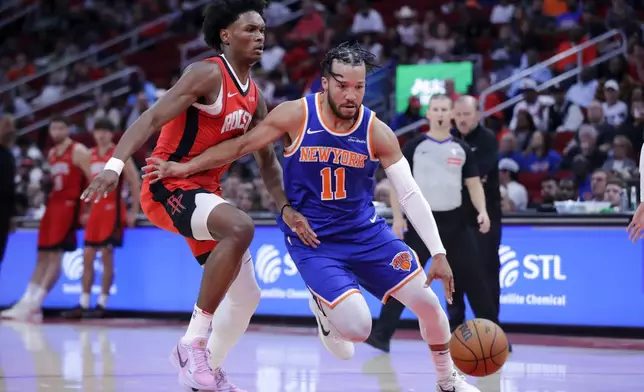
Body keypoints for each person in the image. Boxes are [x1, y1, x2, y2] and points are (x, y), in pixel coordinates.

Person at [143, 42, 481, 392]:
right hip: (314, 240)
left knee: (429, 305)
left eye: (359, 86)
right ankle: (323, 304)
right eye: (343, 85)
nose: (352, 95)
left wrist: (438, 252)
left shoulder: (376, 131)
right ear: (325, 83)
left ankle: (447, 379)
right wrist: (185, 167)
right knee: (357, 330)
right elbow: (241, 147)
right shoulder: (296, 115)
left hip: (365, 234)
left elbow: (410, 193)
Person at [81, 1, 314, 390]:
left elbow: (268, 164)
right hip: (166, 185)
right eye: (250, 30)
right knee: (239, 227)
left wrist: (286, 207)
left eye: (262, 31)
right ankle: (193, 342)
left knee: (247, 297)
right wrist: (115, 165)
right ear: (225, 35)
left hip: (205, 195)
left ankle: (201, 372)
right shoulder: (206, 73)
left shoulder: (256, 97)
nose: (260, 37)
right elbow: (152, 118)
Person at [365, 95, 499, 353]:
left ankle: (494, 336)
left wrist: (482, 211)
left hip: (456, 223)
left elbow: (473, 185)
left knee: (475, 280)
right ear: (428, 114)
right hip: (422, 223)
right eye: (435, 109)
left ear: (451, 114)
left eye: (444, 109)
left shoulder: (462, 149)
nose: (439, 113)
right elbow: (398, 184)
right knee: (404, 279)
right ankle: (382, 335)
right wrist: (399, 217)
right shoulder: (414, 146)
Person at [1, 116, 91, 322]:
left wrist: (87, 209)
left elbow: (93, 180)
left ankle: (35, 303)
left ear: (68, 129)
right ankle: (26, 301)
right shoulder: (51, 154)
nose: (56, 132)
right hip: (53, 204)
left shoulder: (78, 151)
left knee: (55, 255)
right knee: (42, 254)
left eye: (60, 127)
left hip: (69, 206)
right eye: (53, 128)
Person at [61, 119, 141, 319]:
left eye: (105, 131)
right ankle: (84, 302)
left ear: (112, 134)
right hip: (96, 211)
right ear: (93, 133)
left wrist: (133, 211)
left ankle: (102, 303)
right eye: (98, 131)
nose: (102, 135)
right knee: (87, 255)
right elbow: (89, 184)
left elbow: (134, 182)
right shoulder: (90, 155)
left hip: (113, 209)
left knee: (106, 256)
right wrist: (85, 209)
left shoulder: (119, 154)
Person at [452, 96, 503, 324]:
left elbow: (476, 175)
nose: (462, 119)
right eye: (459, 115)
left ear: (478, 115)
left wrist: (448, 177)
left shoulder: (487, 139)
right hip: (453, 217)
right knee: (453, 274)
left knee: (486, 272)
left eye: (467, 114)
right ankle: (454, 328)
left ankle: (492, 329)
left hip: (484, 218)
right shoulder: (448, 140)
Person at [0, 115, 16, 268]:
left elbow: (9, 188)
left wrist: (11, 216)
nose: (10, 130)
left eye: (11, 127)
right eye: (6, 126)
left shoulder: (9, 155)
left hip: (3, 213)